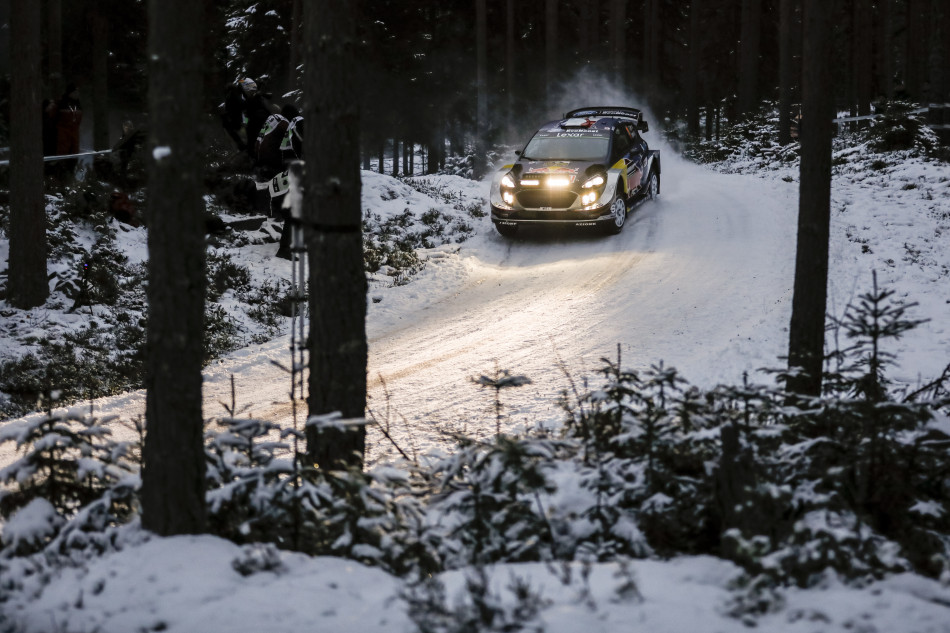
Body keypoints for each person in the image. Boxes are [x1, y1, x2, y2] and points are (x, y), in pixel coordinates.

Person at [52, 83, 83, 175]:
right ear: (70, 93)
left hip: (74, 134)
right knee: (63, 155)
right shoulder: (61, 103)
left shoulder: (78, 104)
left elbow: (79, 120)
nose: (77, 94)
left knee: (73, 156)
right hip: (63, 134)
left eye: (78, 92)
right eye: (75, 92)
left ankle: (71, 173)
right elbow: (53, 118)